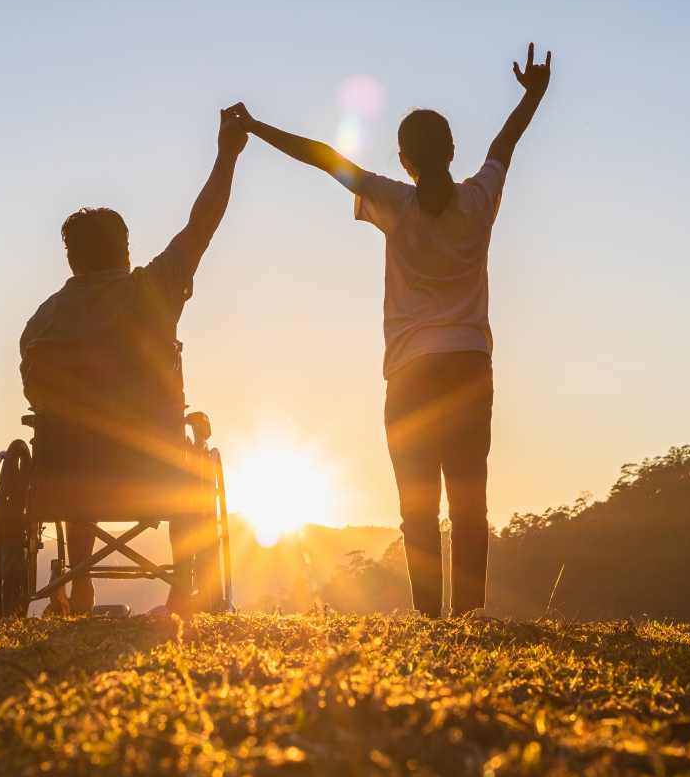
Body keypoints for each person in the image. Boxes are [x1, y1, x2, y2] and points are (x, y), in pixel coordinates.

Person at [227, 44, 551, 618]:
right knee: (469, 499)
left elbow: (324, 156)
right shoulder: (480, 200)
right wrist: (532, 95)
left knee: (418, 506)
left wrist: (254, 127)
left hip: (410, 373)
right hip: (470, 366)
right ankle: (470, 615)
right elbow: (505, 145)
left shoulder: (393, 200)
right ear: (452, 152)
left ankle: (430, 617)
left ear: (404, 160)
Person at [19, 108, 249, 617]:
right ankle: (181, 586)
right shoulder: (153, 290)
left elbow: (39, 399)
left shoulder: (41, 325)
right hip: (153, 468)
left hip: (67, 476)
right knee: (184, 448)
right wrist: (226, 155)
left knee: (74, 432)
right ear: (125, 251)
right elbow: (203, 221)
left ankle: (81, 588)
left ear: (71, 259)